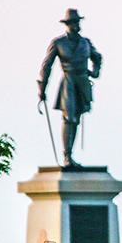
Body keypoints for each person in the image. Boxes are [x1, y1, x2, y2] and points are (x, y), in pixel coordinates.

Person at [38, 9, 102, 167]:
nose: (76, 25)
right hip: (68, 82)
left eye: (78, 22)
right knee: (69, 117)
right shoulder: (59, 43)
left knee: (76, 118)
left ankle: (70, 155)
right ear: (67, 24)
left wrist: (94, 72)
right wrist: (42, 88)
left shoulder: (85, 42)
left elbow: (97, 57)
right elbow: (47, 65)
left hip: (82, 81)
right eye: (73, 22)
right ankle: (67, 156)